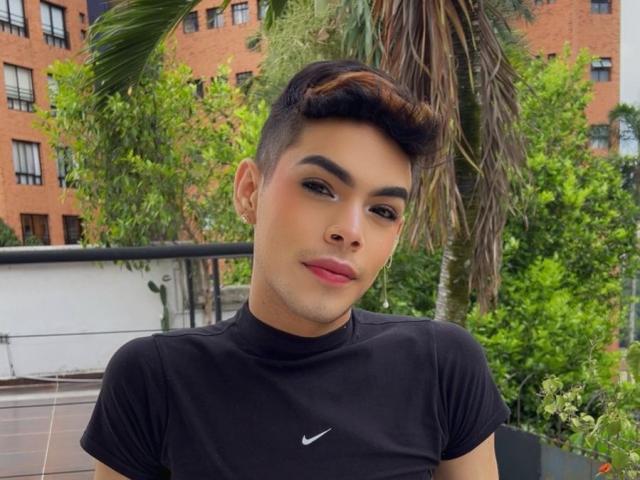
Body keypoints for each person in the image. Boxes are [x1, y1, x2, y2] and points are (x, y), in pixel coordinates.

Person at [81, 59, 510, 480]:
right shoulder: (154, 380)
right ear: (250, 191)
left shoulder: (441, 366)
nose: (350, 231)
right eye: (319, 187)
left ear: (395, 236)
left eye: (382, 210)